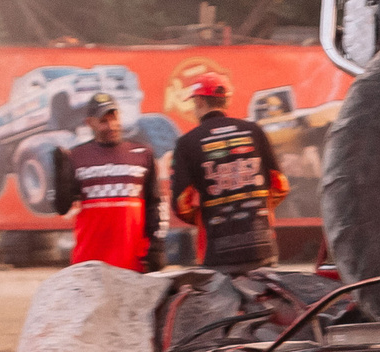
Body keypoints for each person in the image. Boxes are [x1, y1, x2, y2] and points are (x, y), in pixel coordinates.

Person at [170, 73, 287, 274]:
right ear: (226, 101)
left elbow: (182, 203)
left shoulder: (187, 143)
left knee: (223, 305)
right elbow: (279, 184)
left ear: (198, 101)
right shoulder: (253, 131)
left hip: (217, 253)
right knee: (266, 304)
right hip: (261, 247)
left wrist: (206, 216)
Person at [51, 93, 160, 271]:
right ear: (90, 122)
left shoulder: (143, 153)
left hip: (132, 261)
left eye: (114, 117)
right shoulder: (76, 156)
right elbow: (62, 207)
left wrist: (157, 245)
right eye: (103, 121)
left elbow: (154, 204)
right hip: (89, 262)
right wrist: (60, 175)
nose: (111, 125)